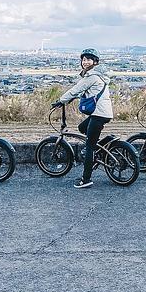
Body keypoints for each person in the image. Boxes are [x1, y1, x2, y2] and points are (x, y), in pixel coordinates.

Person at [53, 48, 113, 189]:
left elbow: (76, 89)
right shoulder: (99, 75)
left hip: (99, 114)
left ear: (95, 62)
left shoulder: (92, 76)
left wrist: (61, 100)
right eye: (83, 59)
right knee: (82, 128)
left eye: (88, 59)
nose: (85, 62)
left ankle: (86, 179)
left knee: (89, 147)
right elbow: (87, 92)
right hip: (102, 113)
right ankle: (106, 142)